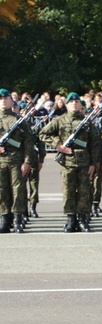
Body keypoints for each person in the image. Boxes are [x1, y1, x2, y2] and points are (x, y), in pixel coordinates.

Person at [39, 92, 102, 232]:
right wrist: (58, 145)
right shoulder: (59, 120)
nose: (74, 103)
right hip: (67, 162)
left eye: (76, 101)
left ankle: (83, 219)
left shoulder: (86, 122)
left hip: (85, 162)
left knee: (84, 192)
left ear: (80, 104)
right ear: (66, 105)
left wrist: (93, 163)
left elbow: (95, 143)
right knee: (68, 191)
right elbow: (43, 133)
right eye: (71, 101)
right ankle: (70, 219)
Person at [0, 89, 36, 233]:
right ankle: (4, 218)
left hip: (16, 160)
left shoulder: (18, 120)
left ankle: (18, 218)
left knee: (18, 190)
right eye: (1, 98)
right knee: (1, 190)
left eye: (6, 98)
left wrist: (27, 162)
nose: (3, 100)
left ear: (11, 100)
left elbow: (28, 142)